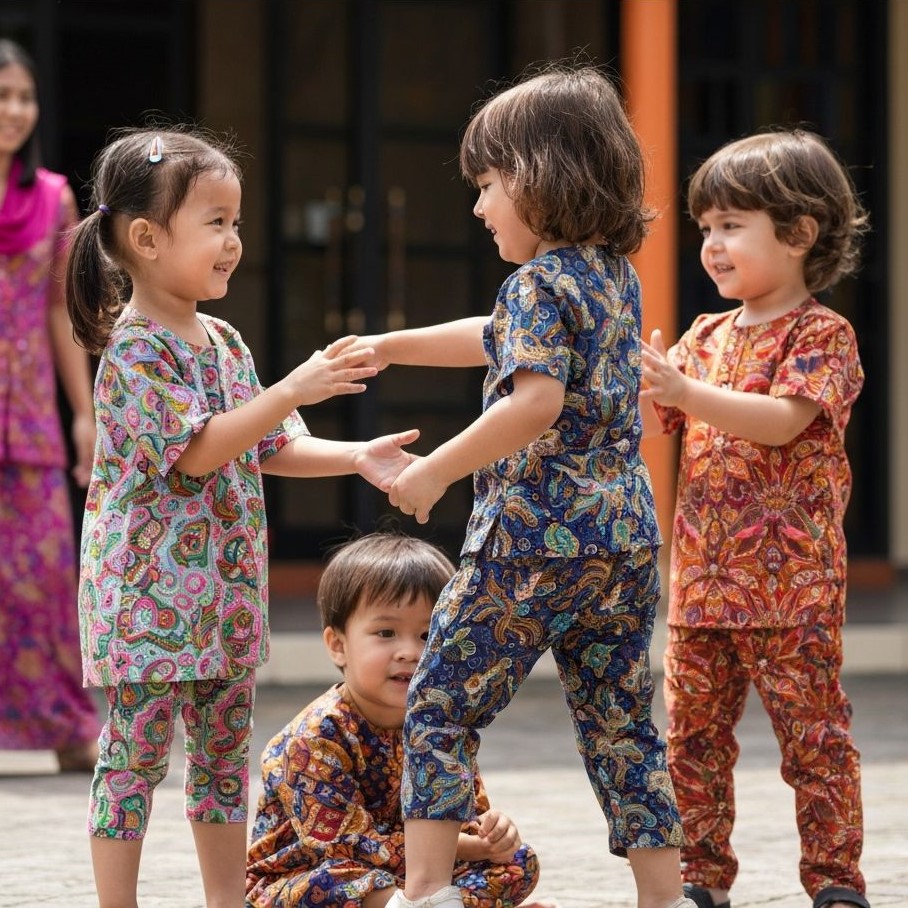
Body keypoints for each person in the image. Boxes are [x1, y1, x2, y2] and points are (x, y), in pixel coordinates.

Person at [352, 65, 695, 908]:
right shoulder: (612, 276)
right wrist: (393, 342)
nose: (478, 207)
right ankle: (665, 897)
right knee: (622, 729)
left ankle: (427, 890)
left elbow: (533, 398)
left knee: (437, 705)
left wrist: (436, 469)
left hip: (534, 543)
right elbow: (494, 336)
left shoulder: (536, 284)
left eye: (488, 184)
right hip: (623, 544)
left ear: (540, 177)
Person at [65, 125, 420, 908]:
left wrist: (357, 454)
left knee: (224, 762)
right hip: (148, 604)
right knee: (132, 760)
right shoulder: (134, 350)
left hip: (222, 597)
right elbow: (197, 451)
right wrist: (292, 388)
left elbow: (268, 444)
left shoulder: (223, 340)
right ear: (146, 238)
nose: (234, 241)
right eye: (216, 223)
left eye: (236, 221)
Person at [640, 129, 870, 908]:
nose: (711, 243)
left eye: (732, 225)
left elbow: (780, 421)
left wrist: (683, 392)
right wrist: (647, 389)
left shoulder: (821, 334)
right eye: (705, 227)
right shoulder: (704, 337)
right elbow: (667, 426)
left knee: (815, 743)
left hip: (794, 589)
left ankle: (836, 882)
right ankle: (700, 878)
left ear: (800, 233)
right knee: (692, 744)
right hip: (703, 583)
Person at [247, 531, 547, 908]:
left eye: (427, 634)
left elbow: (463, 815)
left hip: (417, 874)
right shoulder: (313, 739)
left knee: (519, 863)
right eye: (386, 633)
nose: (409, 651)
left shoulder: (442, 727)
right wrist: (463, 846)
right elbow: (342, 842)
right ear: (338, 645)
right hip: (316, 873)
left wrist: (492, 835)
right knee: (331, 883)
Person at [0, 38, 101, 772]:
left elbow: (63, 314)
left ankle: (66, 726)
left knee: (42, 577)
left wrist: (83, 413)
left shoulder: (54, 196)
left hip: (30, 414)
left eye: (24, 97)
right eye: (1, 96)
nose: (14, 111)